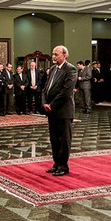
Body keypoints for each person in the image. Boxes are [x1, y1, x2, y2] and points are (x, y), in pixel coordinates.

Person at [42, 45, 77, 176]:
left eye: (56, 54)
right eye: (53, 54)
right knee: (54, 139)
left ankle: (63, 166)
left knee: (63, 140)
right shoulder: (52, 69)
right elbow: (46, 88)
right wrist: (44, 103)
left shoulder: (70, 69)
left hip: (63, 111)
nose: (53, 56)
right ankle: (56, 164)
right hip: (51, 111)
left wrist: (52, 105)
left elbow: (66, 92)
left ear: (64, 55)